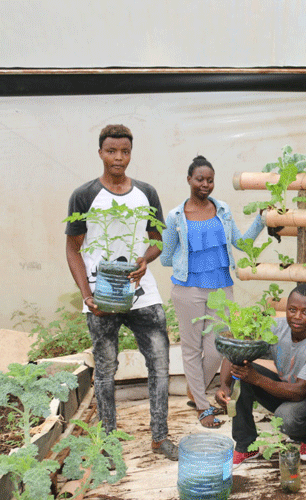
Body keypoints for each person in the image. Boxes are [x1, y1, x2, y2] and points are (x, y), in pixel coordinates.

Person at [65, 124, 177, 460]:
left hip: (142, 292)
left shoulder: (146, 193)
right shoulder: (84, 196)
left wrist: (145, 259)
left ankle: (160, 438)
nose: (118, 158)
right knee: (105, 368)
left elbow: (159, 239)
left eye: (124, 151)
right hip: (102, 294)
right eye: (111, 151)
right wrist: (88, 295)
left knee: (159, 362)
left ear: (131, 153)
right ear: (100, 153)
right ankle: (108, 441)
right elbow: (72, 249)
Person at [160, 155, 266, 428]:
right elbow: (165, 257)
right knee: (192, 349)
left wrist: (261, 220)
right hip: (188, 290)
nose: (205, 184)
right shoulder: (175, 217)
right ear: (189, 180)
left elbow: (241, 243)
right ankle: (203, 406)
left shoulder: (223, 211)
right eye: (200, 179)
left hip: (221, 288)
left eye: (210, 180)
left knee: (218, 348)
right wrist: (190, 263)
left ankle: (195, 390)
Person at [215, 284, 306, 465]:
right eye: (292, 310)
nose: (296, 316)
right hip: (281, 387)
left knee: (286, 418)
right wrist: (224, 385)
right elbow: (237, 349)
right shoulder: (276, 328)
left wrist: (257, 379)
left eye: (305, 312)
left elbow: (300, 391)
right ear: (286, 308)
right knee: (241, 373)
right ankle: (246, 446)